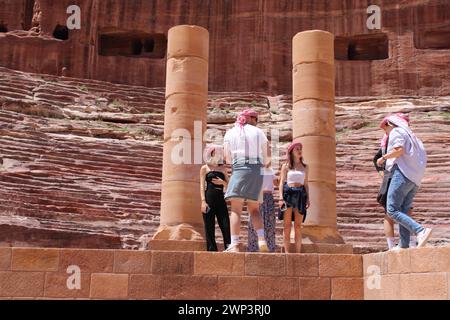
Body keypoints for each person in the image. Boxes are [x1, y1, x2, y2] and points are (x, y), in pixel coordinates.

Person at [376, 114, 432, 249]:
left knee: (392, 210)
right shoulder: (414, 137)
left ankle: (420, 230)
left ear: (389, 123)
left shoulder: (396, 131)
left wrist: (383, 158)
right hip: (414, 179)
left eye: (384, 127)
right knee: (404, 210)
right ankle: (404, 245)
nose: (385, 131)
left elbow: (398, 150)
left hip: (401, 174)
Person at [223, 109, 270, 252]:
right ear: (252, 119)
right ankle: (261, 239)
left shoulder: (230, 132)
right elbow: (267, 158)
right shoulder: (259, 132)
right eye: (256, 119)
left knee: (236, 210)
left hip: (239, 168)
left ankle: (235, 243)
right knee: (254, 209)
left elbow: (227, 158)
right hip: (257, 170)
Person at [278, 141, 310, 253]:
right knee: (286, 226)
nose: (300, 150)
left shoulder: (305, 167)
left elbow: (306, 183)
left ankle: (297, 252)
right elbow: (281, 182)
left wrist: (308, 198)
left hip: (301, 194)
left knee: (297, 226)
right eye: (297, 148)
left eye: (300, 148)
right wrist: (281, 198)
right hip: (288, 194)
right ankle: (287, 252)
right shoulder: (286, 166)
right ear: (291, 151)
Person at [200, 145, 231, 251]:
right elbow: (201, 186)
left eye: (220, 153)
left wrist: (222, 182)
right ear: (211, 154)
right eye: (217, 152)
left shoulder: (223, 168)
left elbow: (229, 185)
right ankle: (211, 249)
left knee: (225, 224)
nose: (219, 154)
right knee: (209, 225)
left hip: (220, 199)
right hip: (208, 198)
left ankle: (229, 247)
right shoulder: (205, 168)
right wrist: (203, 202)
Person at [247, 165, 277, 252]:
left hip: (268, 197)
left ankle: (269, 248)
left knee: (269, 222)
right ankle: (254, 248)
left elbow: (276, 182)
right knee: (254, 222)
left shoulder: (271, 169)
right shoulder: (255, 168)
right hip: (257, 196)